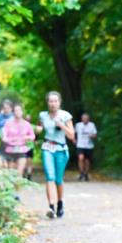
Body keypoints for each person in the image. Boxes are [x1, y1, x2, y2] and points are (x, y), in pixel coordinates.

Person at [35, 91, 75, 219]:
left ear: (59, 102)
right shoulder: (42, 115)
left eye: (55, 101)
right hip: (47, 148)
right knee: (50, 177)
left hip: (61, 149)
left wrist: (61, 125)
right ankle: (51, 207)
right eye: (50, 101)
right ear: (47, 103)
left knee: (58, 179)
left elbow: (71, 135)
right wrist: (37, 131)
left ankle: (60, 203)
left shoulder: (65, 115)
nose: (53, 104)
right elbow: (38, 129)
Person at [1, 103, 36, 179]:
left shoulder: (26, 124)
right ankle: (12, 190)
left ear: (22, 112)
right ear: (13, 112)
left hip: (22, 150)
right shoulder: (8, 123)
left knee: (19, 173)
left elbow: (32, 136)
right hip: (10, 151)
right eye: (16, 110)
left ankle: (19, 190)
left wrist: (26, 137)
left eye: (19, 110)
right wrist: (9, 139)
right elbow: (4, 137)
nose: (18, 112)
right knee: (11, 175)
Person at [75, 112, 97, 181]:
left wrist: (92, 136)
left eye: (86, 118)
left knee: (87, 161)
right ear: (81, 119)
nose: (84, 119)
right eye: (83, 118)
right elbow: (74, 133)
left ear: (88, 119)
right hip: (80, 145)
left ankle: (86, 174)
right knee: (81, 158)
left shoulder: (92, 125)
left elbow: (95, 135)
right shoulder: (78, 125)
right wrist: (74, 140)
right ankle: (81, 173)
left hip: (89, 146)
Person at [0, 99, 14, 167]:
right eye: (4, 108)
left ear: (11, 108)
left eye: (8, 108)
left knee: (8, 164)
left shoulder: (14, 117)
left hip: (10, 143)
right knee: (0, 162)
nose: (6, 109)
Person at [23, 114, 35, 180]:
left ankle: (29, 175)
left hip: (30, 147)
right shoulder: (21, 127)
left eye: (29, 119)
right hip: (22, 147)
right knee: (24, 161)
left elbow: (38, 132)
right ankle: (24, 174)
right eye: (26, 119)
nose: (27, 120)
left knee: (29, 161)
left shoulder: (32, 126)